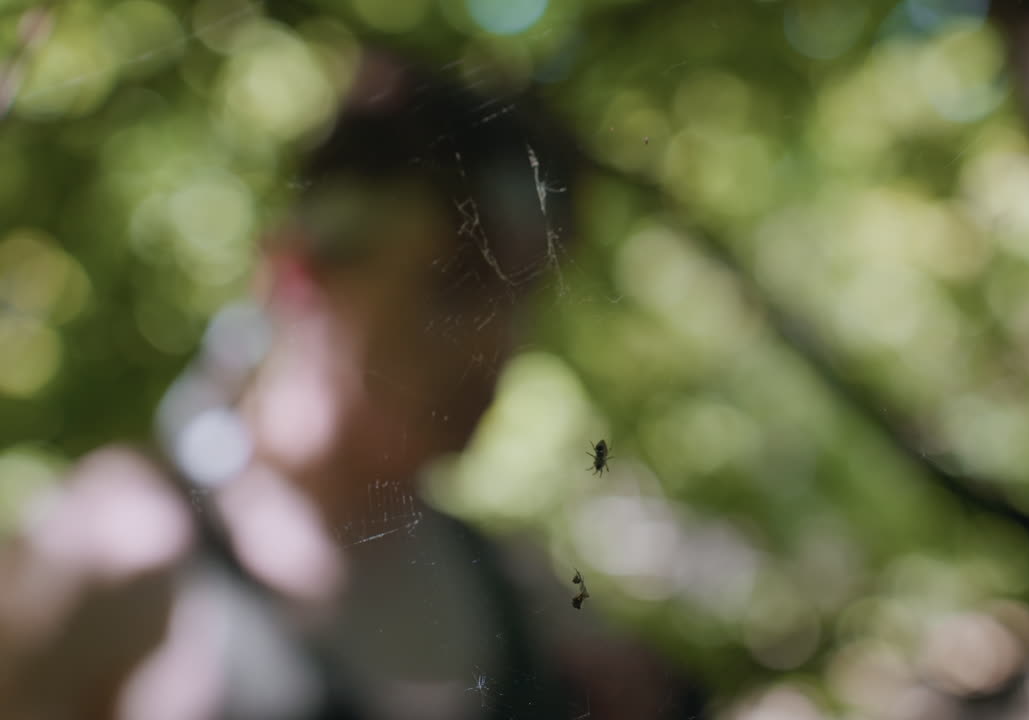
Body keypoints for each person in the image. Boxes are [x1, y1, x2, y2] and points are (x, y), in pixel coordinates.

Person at [0, 47, 705, 720]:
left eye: (523, 297)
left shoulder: (525, 600)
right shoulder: (122, 549)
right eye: (456, 283)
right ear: (300, 275)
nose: (500, 342)